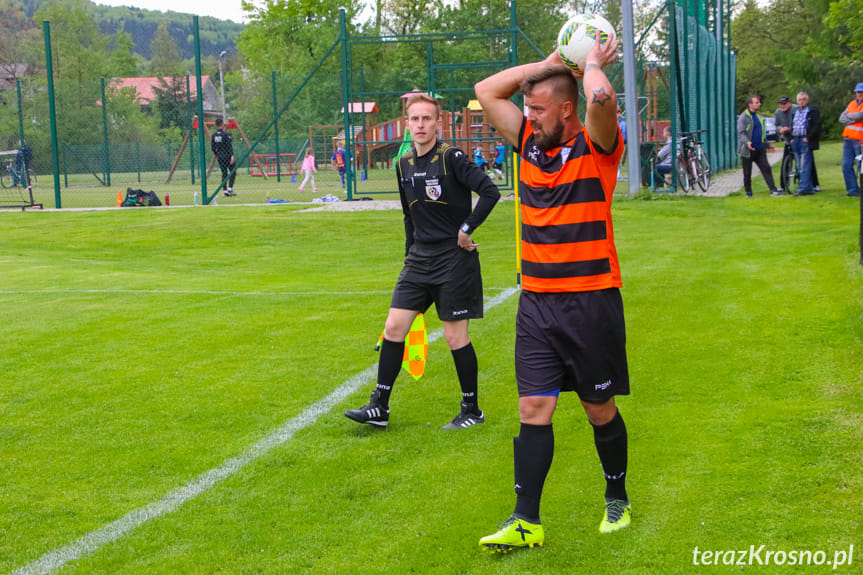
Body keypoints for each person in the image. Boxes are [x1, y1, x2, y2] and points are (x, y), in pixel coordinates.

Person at [474, 33, 630, 552]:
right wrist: (548, 64)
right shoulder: (525, 144)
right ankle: (526, 521)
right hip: (537, 303)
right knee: (533, 409)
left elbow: (603, 100)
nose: (529, 114)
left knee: (597, 409)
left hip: (591, 301)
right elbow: (487, 89)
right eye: (528, 108)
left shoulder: (596, 146)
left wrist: (588, 65)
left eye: (538, 108)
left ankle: (616, 497)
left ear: (567, 109)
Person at [344, 93, 500, 430]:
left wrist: (466, 228)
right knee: (393, 329)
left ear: (438, 123)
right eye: (414, 119)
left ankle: (471, 410)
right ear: (407, 125)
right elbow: (408, 217)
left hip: (454, 261)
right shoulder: (403, 164)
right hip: (418, 260)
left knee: (456, 337)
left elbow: (490, 192)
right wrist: (408, 257)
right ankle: (380, 407)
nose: (420, 125)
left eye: (426, 119)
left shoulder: (452, 158)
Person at [736, 95, 781, 197]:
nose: (759, 104)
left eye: (759, 102)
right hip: (747, 150)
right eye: (757, 102)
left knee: (766, 168)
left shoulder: (758, 117)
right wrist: (747, 143)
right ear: (750, 104)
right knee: (747, 172)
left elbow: (761, 134)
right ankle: (749, 193)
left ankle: (773, 190)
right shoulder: (744, 117)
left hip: (760, 149)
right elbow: (741, 133)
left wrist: (768, 145)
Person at [790, 92, 822, 196]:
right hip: (796, 139)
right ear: (797, 101)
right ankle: (808, 187)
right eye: (800, 99)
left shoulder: (812, 110)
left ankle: (803, 188)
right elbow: (792, 124)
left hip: (805, 140)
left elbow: (817, 125)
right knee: (799, 166)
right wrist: (791, 138)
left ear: (807, 100)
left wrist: (808, 138)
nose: (802, 101)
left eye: (804, 99)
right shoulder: (795, 112)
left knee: (805, 165)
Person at [838, 82, 863, 197]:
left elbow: (860, 115)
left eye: (861, 92)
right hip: (848, 139)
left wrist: (851, 117)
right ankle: (853, 191)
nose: (859, 94)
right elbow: (841, 118)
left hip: (860, 140)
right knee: (846, 165)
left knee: (861, 166)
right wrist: (854, 118)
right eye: (858, 92)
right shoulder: (852, 104)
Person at [211, 118, 236, 197]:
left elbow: (213, 147)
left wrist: (217, 154)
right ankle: (230, 189)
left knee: (224, 173)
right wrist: (232, 155)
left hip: (220, 156)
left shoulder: (214, 136)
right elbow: (229, 146)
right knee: (232, 172)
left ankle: (224, 190)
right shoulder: (226, 135)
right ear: (222, 124)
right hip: (227, 156)